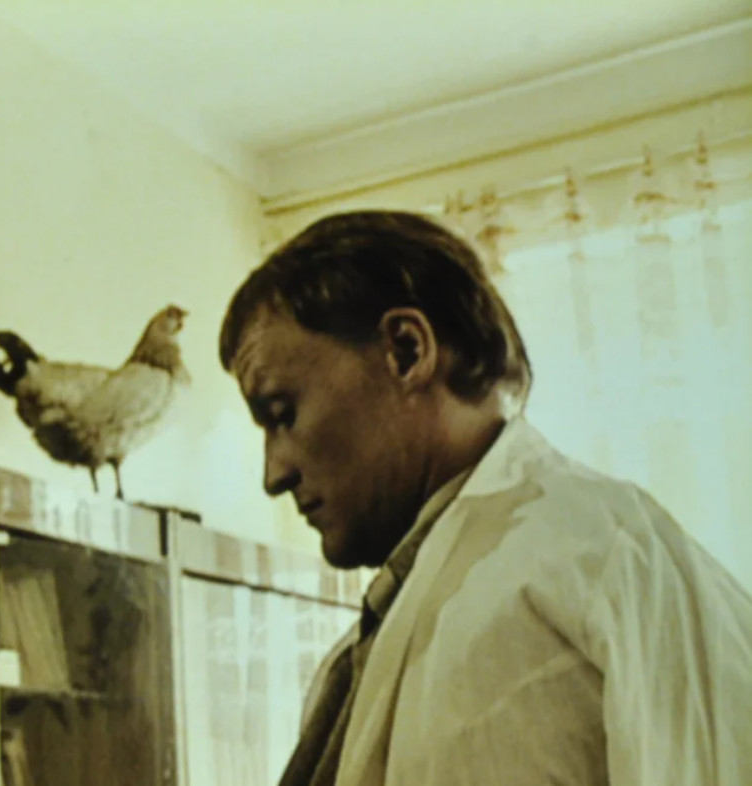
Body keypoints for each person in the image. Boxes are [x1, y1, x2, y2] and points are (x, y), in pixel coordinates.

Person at [218, 210, 752, 785]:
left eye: (283, 414)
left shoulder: (586, 559)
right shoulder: (372, 646)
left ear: (405, 350)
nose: (274, 475)